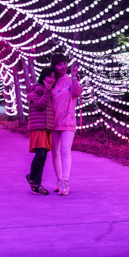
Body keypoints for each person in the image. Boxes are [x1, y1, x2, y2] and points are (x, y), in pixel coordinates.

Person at [49, 53, 82, 196]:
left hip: (68, 121)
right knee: (54, 152)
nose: (63, 66)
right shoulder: (51, 81)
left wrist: (74, 75)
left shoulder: (70, 80)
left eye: (65, 63)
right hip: (52, 122)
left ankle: (65, 181)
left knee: (65, 150)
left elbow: (77, 92)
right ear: (54, 67)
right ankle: (58, 180)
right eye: (59, 64)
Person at [25, 67, 55, 195]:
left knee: (43, 158)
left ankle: (37, 184)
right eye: (49, 77)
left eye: (53, 77)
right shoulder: (38, 89)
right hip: (38, 127)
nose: (52, 80)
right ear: (43, 77)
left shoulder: (47, 90)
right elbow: (40, 106)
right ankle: (31, 178)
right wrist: (47, 92)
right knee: (40, 155)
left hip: (46, 127)